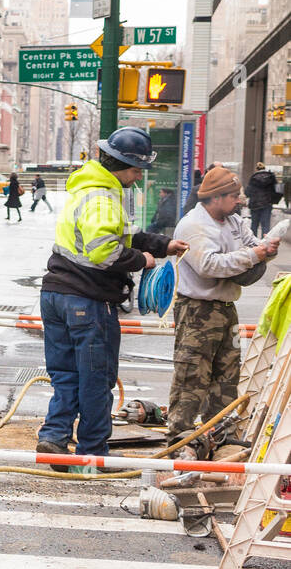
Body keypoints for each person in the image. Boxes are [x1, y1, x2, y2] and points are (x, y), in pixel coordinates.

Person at [36, 127, 189, 471]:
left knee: (65, 374)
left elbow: (123, 235)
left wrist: (162, 245)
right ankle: (92, 451)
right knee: (96, 379)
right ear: (121, 164)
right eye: (136, 170)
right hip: (87, 301)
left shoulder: (86, 189)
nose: (137, 178)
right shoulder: (103, 197)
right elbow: (105, 251)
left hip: (56, 294)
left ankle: (55, 437)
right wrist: (144, 261)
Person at [167, 166, 278, 442]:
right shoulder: (194, 226)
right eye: (233, 196)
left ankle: (221, 434)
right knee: (192, 374)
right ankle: (180, 435)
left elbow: (252, 247)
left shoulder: (234, 221)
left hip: (225, 307)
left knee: (228, 374)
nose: (239, 200)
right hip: (197, 309)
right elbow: (209, 265)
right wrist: (253, 255)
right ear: (215, 197)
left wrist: (262, 251)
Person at [246, 161, 280, 238]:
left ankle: (253, 244)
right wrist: (273, 200)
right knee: (265, 225)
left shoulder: (253, 178)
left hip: (255, 205)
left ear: (256, 169)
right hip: (267, 204)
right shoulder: (271, 177)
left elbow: (248, 192)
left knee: (254, 225)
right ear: (264, 168)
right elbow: (277, 190)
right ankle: (265, 243)